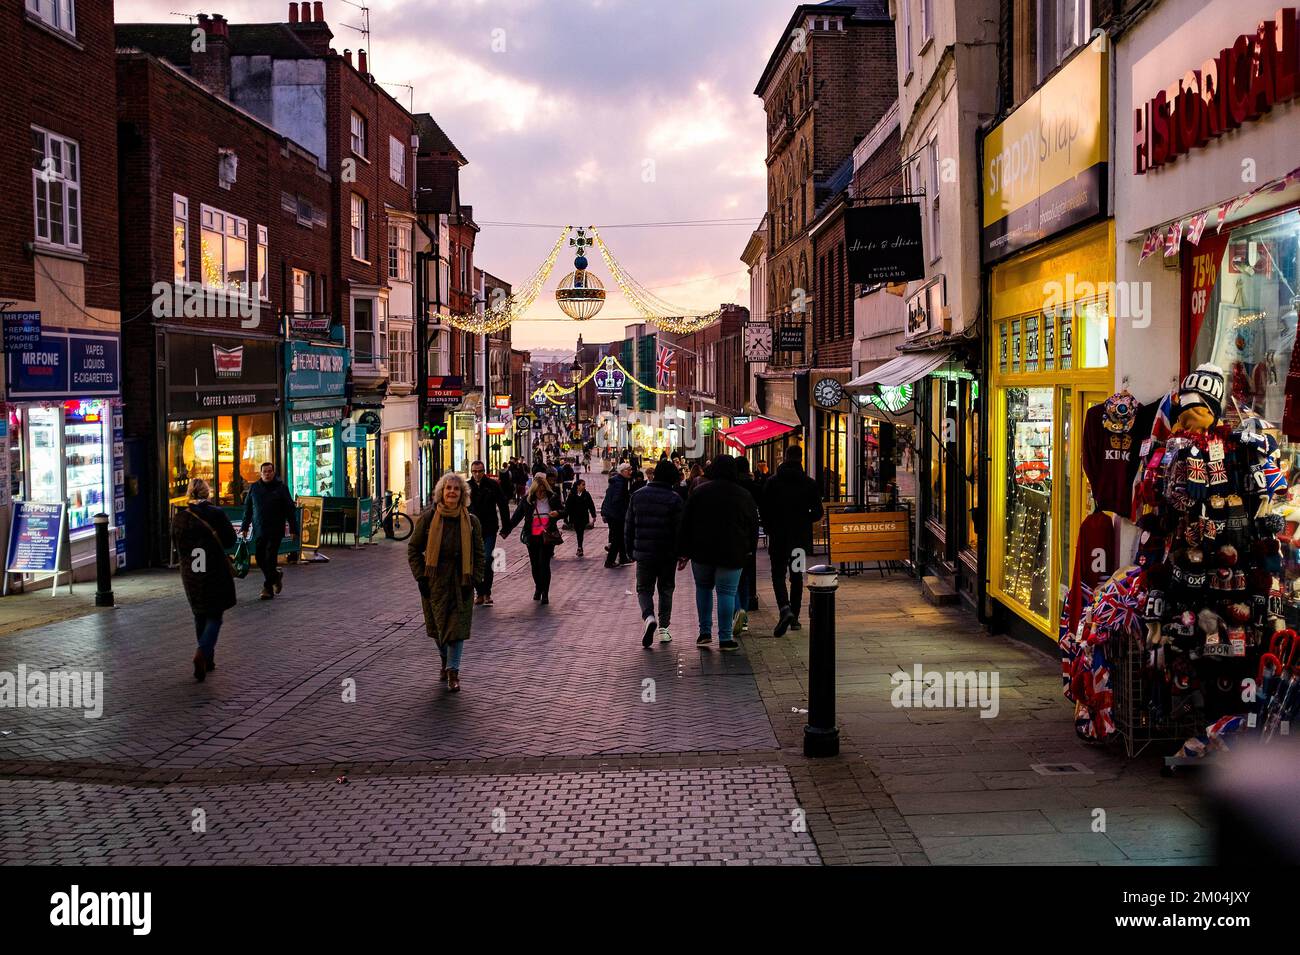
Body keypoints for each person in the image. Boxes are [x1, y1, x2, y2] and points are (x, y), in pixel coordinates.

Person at [408, 472, 486, 692]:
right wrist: (421, 576)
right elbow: (414, 549)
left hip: (462, 582)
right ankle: (444, 659)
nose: (452, 492)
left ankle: (453, 672)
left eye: (456, 489)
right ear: (441, 492)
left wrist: (476, 577)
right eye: (448, 488)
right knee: (438, 630)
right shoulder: (428, 518)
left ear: (462, 494)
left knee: (456, 630)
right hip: (434, 582)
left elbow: (479, 553)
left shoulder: (471, 521)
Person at [678, 454, 759, 652]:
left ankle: (705, 633)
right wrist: (750, 550)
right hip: (732, 552)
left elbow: (685, 523)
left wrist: (683, 551)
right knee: (726, 593)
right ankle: (725, 638)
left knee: (703, 589)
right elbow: (752, 526)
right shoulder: (742, 495)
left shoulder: (699, 492)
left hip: (702, 551)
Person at [172, 478, 236, 681]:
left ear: (190, 493)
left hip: (191, 572)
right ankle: (203, 652)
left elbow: (176, 545)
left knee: (199, 613)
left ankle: (208, 659)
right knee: (215, 615)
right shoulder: (216, 514)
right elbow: (229, 540)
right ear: (207, 493)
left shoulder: (181, 518)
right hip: (214, 569)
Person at [761, 444, 824, 637]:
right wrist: (805, 518)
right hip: (799, 540)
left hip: (778, 539)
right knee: (796, 577)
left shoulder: (772, 482)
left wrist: (770, 527)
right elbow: (818, 512)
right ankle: (795, 617)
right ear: (801, 459)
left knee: (778, 575)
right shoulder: (809, 483)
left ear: (785, 458)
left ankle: (784, 608)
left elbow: (764, 510)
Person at [627, 459, 685, 647]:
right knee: (666, 589)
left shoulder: (637, 496)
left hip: (644, 553)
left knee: (644, 589)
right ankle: (664, 629)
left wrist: (630, 551)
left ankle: (649, 617)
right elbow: (680, 530)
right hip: (667, 554)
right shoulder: (674, 498)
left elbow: (629, 526)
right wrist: (682, 553)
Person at [504, 473, 567, 604]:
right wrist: (506, 530)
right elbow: (517, 516)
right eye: (538, 491)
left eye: (543, 490)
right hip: (532, 536)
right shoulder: (527, 500)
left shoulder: (552, 498)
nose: (541, 493)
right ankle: (538, 587)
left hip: (547, 536)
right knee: (534, 565)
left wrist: (558, 513)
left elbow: (564, 511)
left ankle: (545, 593)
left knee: (544, 563)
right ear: (534, 490)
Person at [240, 461, 297, 600]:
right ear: (260, 473)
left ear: (273, 472)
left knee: (270, 557)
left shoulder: (281, 488)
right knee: (259, 557)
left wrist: (294, 529)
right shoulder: (254, 488)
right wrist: (245, 526)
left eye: (269, 471)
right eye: (264, 471)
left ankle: (267, 588)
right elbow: (247, 509)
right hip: (259, 529)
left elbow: (290, 509)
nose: (267, 474)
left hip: (276, 529)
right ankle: (275, 576)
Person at [469, 460, 510, 606]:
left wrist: (506, 527)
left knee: (486, 560)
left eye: (480, 471)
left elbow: (503, 505)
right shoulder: (467, 487)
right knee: (474, 562)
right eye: (474, 471)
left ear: (484, 471)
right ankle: (479, 593)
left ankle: (487, 592)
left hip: (489, 528)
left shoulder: (492, 485)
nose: (477, 474)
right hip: (472, 530)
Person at [733, 456, 763, 635]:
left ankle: (738, 611)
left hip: (733, 541)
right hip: (749, 542)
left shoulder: (732, 490)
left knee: (731, 582)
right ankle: (743, 614)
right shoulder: (754, 488)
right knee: (745, 580)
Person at [601, 461, 634, 567]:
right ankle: (609, 561)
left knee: (620, 537)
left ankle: (623, 558)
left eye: (630, 470)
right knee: (617, 538)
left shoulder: (620, 481)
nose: (630, 472)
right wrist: (624, 511)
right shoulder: (620, 483)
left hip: (613, 513)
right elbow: (617, 499)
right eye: (628, 470)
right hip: (616, 515)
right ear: (622, 471)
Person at [567, 478, 598, 557]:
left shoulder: (586, 494)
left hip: (583, 516)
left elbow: (591, 505)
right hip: (574, 517)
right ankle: (579, 547)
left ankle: (579, 547)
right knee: (578, 532)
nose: (584, 486)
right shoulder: (572, 494)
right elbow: (568, 507)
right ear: (578, 486)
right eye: (583, 484)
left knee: (580, 532)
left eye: (584, 485)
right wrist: (565, 517)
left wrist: (593, 515)